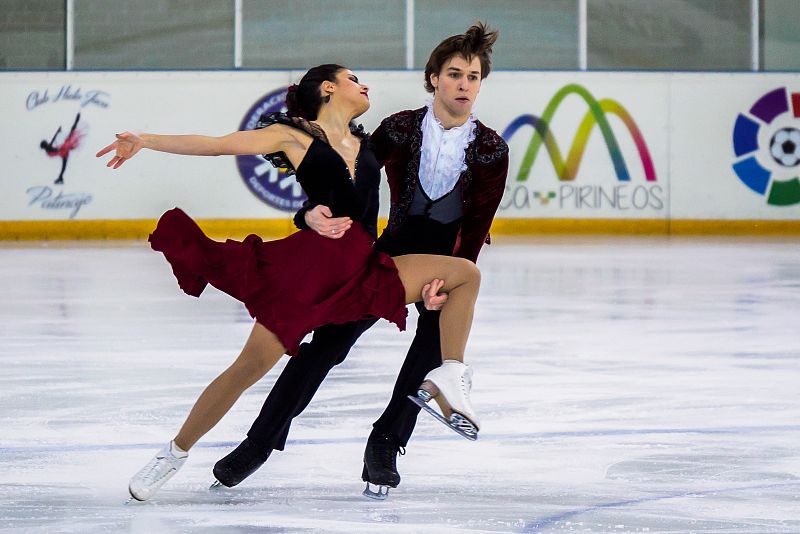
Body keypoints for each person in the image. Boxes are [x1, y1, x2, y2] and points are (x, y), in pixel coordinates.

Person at [96, 63, 485, 503]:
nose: (365, 84)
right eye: (354, 79)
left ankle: (451, 374)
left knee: (464, 275)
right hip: (310, 273)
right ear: (328, 88)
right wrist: (145, 141)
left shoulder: (369, 143)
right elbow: (218, 146)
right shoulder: (293, 137)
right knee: (246, 369)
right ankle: (174, 452)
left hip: (363, 268)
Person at [212, 23, 509, 500]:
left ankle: (386, 445)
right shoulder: (400, 128)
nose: (464, 85)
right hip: (385, 256)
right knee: (325, 348)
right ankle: (258, 443)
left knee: (428, 353)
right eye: (455, 74)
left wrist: (445, 284)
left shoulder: (492, 149)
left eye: (474, 77)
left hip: (444, 265)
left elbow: (475, 228)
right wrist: (305, 214)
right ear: (433, 78)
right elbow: (347, 184)